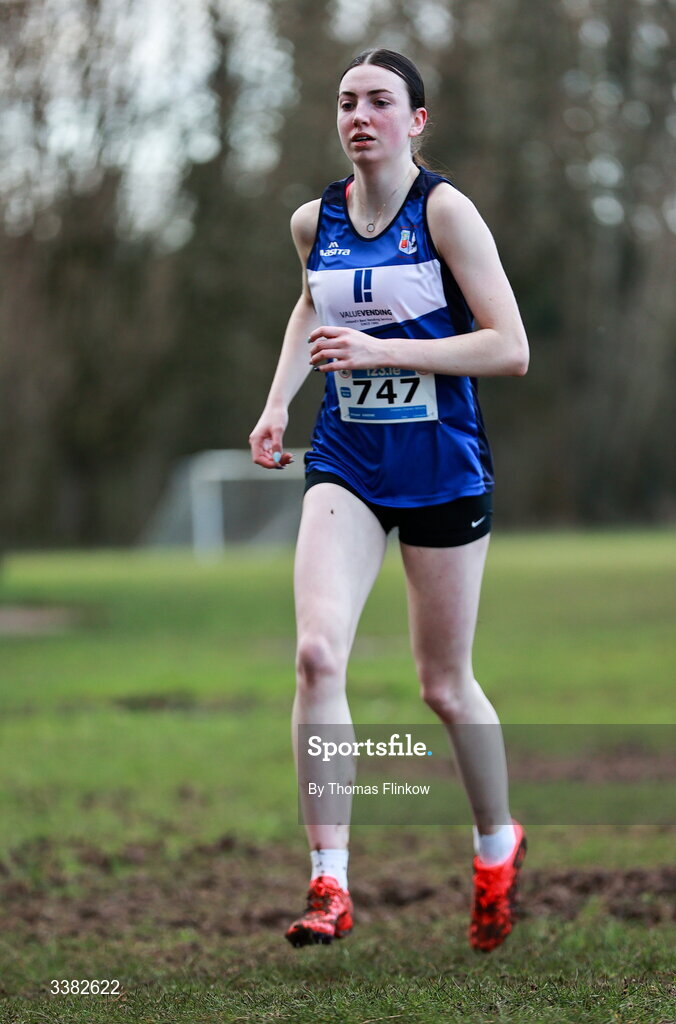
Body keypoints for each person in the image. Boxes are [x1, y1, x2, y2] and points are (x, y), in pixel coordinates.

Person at [249, 48, 529, 954]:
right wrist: (277, 401)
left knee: (443, 687)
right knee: (316, 652)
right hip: (349, 463)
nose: (359, 115)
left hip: (444, 466)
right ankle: (330, 881)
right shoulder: (313, 220)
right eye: (346, 102)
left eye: (380, 101)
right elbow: (309, 308)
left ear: (417, 121)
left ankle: (495, 848)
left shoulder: (444, 212)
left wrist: (388, 353)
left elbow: (509, 347)